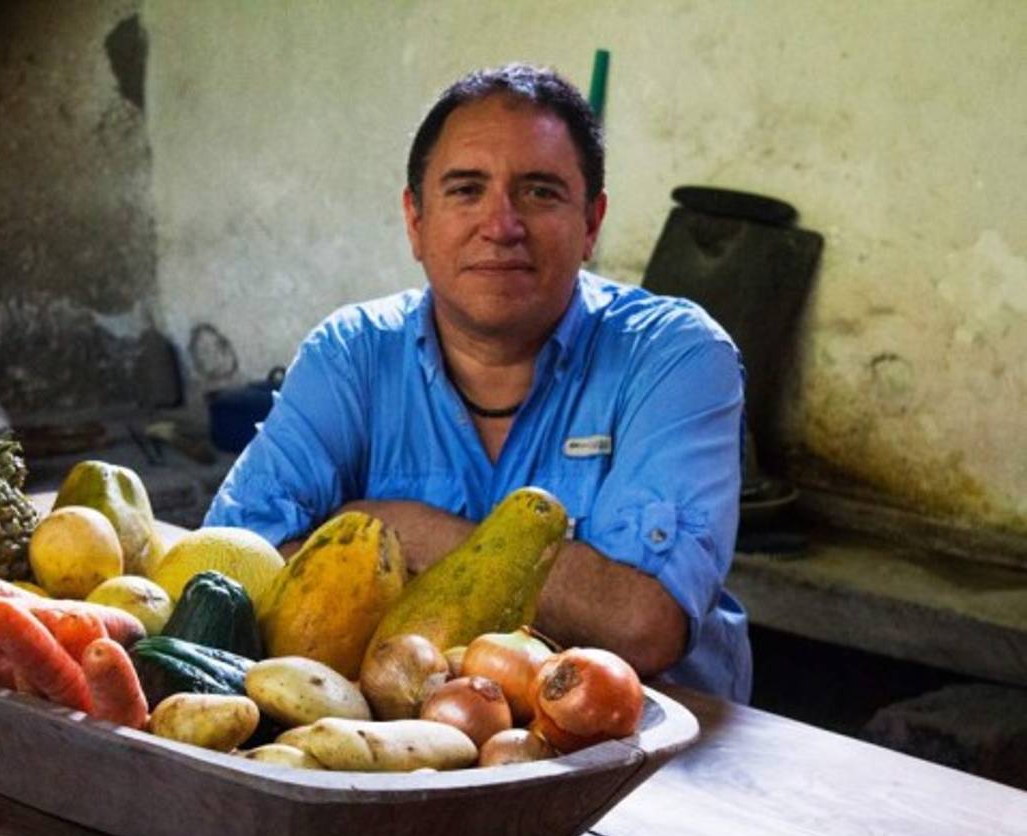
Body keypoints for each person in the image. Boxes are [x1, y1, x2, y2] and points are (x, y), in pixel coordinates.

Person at [207, 62, 752, 703]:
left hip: (650, 761)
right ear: (415, 221)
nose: (501, 225)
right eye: (466, 189)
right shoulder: (351, 355)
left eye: (540, 192)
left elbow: (640, 625)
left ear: (592, 224)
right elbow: (235, 567)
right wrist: (569, 590)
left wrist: (397, 527)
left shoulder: (673, 356)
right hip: (410, 752)